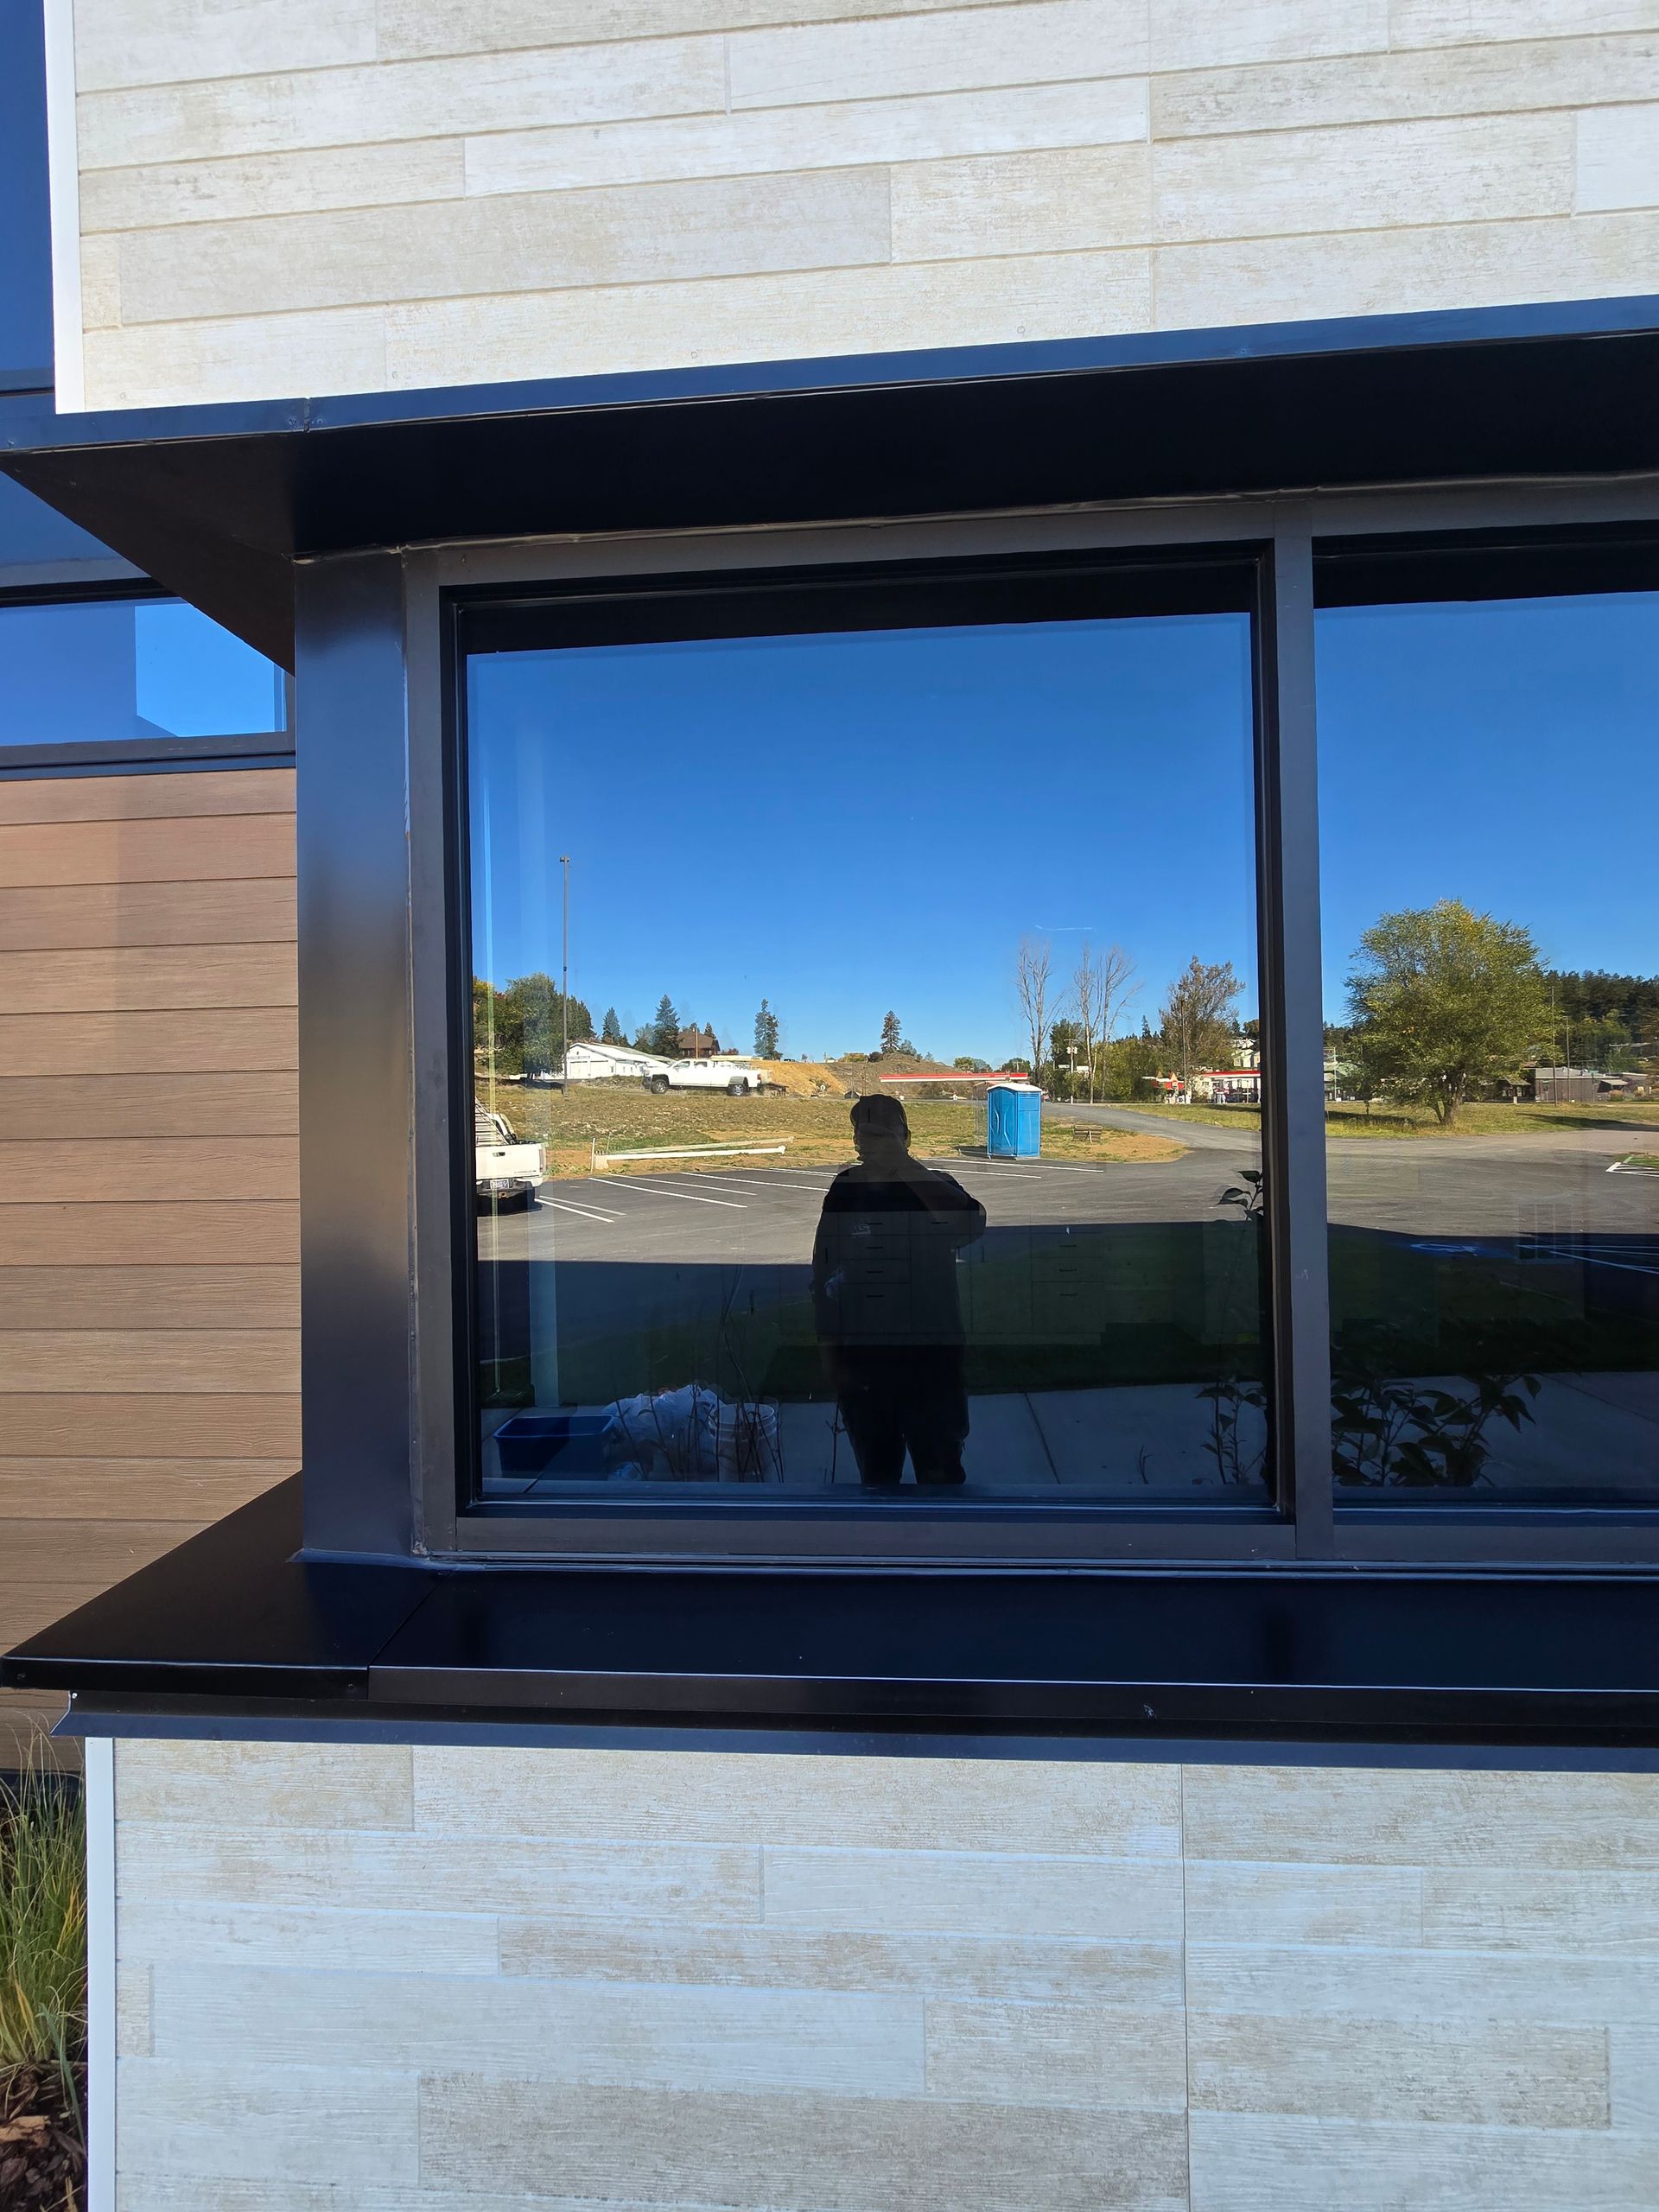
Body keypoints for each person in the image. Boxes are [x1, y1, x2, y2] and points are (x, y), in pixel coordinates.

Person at [811, 1092, 987, 1487]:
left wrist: (904, 1166)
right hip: (864, 1361)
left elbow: (971, 1226)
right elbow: (822, 1273)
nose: (870, 1143)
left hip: (933, 1360)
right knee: (876, 1476)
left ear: (907, 1138)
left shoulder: (935, 1186)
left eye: (883, 1134)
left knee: (941, 1473)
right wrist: (830, 1352)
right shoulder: (845, 1191)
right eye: (863, 1135)